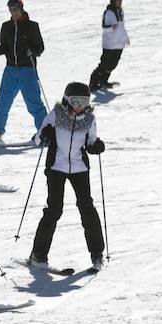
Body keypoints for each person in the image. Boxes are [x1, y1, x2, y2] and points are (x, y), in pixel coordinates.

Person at [26, 84, 107, 271]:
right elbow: (37, 139)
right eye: (76, 101)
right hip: (56, 168)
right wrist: (45, 134)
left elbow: (91, 142)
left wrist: (96, 146)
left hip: (79, 168)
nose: (80, 106)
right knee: (54, 210)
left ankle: (97, 254)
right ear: (67, 100)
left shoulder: (89, 119)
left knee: (87, 208)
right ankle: (38, 254)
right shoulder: (56, 115)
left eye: (84, 102)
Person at [0, 0, 46, 145]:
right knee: (2, 102)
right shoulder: (6, 27)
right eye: (11, 9)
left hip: (28, 70)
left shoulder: (32, 26)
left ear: (21, 9)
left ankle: (44, 133)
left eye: (15, 9)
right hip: (10, 70)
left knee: (34, 104)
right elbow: (4, 47)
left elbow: (40, 48)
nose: (13, 12)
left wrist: (33, 51)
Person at [88, 0, 128, 91]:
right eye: (117, 1)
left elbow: (122, 27)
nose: (119, 3)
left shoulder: (121, 12)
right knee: (104, 65)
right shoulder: (108, 12)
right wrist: (111, 28)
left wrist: (126, 38)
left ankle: (103, 81)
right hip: (109, 44)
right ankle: (93, 83)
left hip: (119, 44)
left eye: (120, 1)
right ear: (113, 1)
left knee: (113, 65)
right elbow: (104, 28)